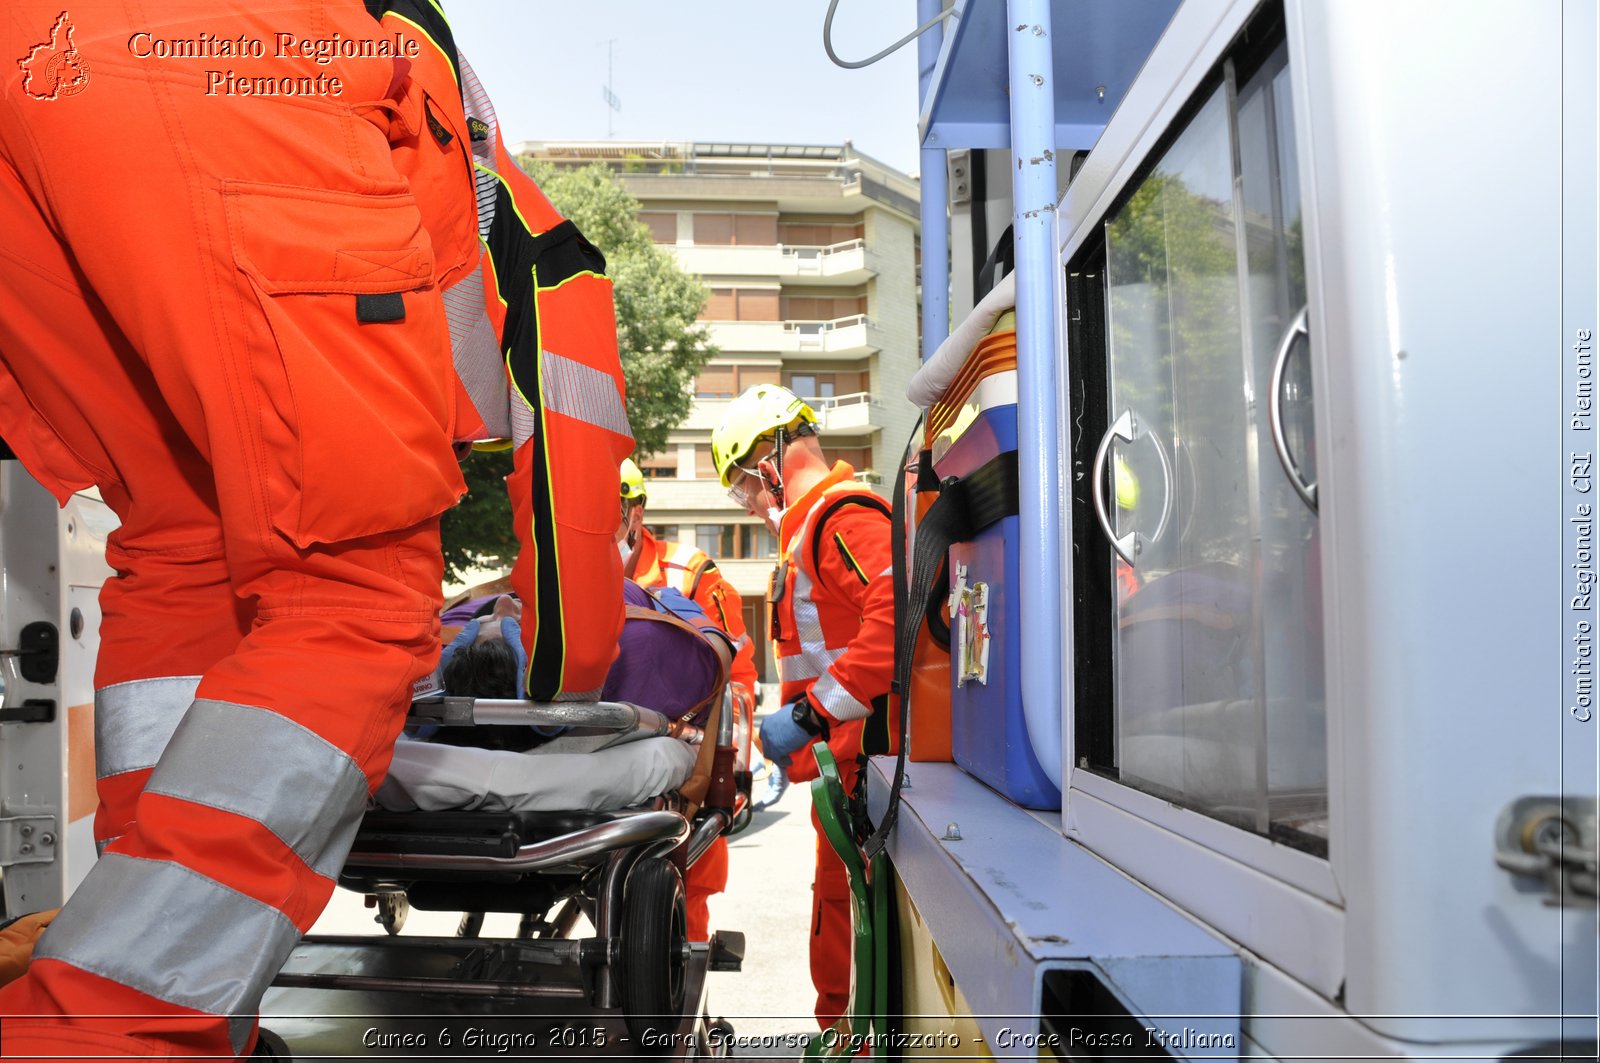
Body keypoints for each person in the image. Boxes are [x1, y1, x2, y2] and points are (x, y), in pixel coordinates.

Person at [0, 3, 629, 1057]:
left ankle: (131, 965)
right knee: (355, 593)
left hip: (42, 68)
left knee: (184, 548)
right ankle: (107, 1031)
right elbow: (576, 488)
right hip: (217, 62)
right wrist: (575, 660)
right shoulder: (534, 243)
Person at [710, 384, 896, 1029]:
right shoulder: (811, 531)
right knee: (840, 911)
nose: (752, 504)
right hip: (841, 767)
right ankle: (842, 1033)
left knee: (849, 917)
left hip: (859, 760)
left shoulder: (840, 518)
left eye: (743, 489)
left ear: (770, 460)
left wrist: (814, 714)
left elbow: (899, 615)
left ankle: (850, 1038)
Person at [618, 458, 761, 939]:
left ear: (635, 513)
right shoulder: (563, 572)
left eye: (611, 509)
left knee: (683, 898)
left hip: (685, 767)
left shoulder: (690, 574)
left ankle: (680, 995)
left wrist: (727, 770)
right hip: (607, 748)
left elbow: (736, 675)